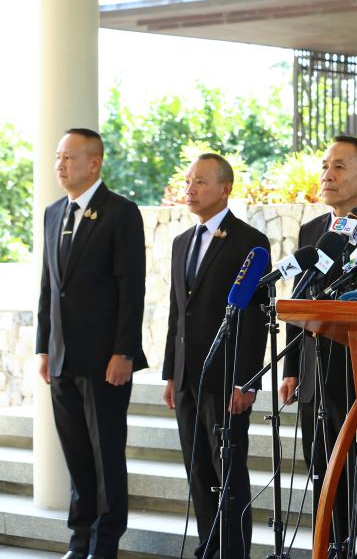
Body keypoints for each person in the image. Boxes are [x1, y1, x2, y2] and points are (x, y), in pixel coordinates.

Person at [36, 128, 147, 559]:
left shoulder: (120, 212)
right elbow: (50, 286)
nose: (60, 164)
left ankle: (104, 543)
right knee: (77, 456)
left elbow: (131, 288)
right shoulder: (53, 213)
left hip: (105, 360)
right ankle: (79, 539)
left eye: (69, 157)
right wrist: (44, 347)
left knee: (105, 457)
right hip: (62, 357)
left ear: (94, 162)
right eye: (58, 157)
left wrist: (124, 351)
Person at [278, 134, 357, 543]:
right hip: (315, 375)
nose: (327, 174)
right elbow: (299, 298)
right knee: (323, 479)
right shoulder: (312, 229)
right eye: (325, 166)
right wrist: (292, 368)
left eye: (339, 167)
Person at [162, 153, 270, 559]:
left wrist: (247, 380)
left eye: (200, 182)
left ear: (225, 189)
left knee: (228, 473)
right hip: (188, 376)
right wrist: (171, 373)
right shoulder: (181, 242)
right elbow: (178, 312)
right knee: (198, 470)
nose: (190, 189)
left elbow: (256, 317)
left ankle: (233, 552)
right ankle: (208, 547)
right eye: (188, 181)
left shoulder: (248, 241)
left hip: (226, 378)